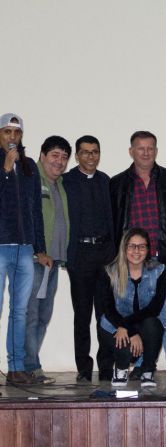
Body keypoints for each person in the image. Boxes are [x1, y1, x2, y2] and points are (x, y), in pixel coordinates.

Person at [109, 131, 166, 380]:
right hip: (132, 263)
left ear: (156, 151)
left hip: (165, 259)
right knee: (137, 314)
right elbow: (112, 223)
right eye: (140, 148)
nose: (145, 152)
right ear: (131, 151)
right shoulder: (117, 184)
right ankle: (145, 365)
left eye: (150, 148)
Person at [63, 135, 115, 382]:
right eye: (85, 152)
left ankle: (106, 366)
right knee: (82, 315)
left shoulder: (106, 181)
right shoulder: (67, 182)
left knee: (105, 315)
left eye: (95, 152)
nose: (90, 157)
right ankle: (84, 368)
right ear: (77, 155)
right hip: (80, 256)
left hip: (105, 256)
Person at [0, 113, 46, 385]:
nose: (12, 138)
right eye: (7, 132)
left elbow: (35, 210)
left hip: (25, 247)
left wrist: (38, 247)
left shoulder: (29, 166)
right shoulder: (5, 164)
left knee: (20, 311)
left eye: (16, 133)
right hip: (0, 247)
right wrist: (5, 171)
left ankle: (16, 367)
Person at [25, 136, 71, 384]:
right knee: (30, 315)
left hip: (53, 262)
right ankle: (27, 367)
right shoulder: (32, 181)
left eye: (64, 157)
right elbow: (27, 218)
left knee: (43, 316)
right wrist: (36, 252)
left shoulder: (60, 184)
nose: (59, 161)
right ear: (42, 156)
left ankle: (30, 366)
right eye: (54, 155)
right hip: (35, 260)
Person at [98, 228, 165, 387]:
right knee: (124, 347)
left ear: (148, 249)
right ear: (124, 248)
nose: (136, 251)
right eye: (131, 246)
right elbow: (108, 309)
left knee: (154, 324)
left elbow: (154, 309)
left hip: (137, 323)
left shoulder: (158, 271)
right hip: (113, 323)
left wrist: (128, 327)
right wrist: (128, 330)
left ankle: (148, 370)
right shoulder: (110, 271)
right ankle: (121, 369)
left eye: (142, 246)